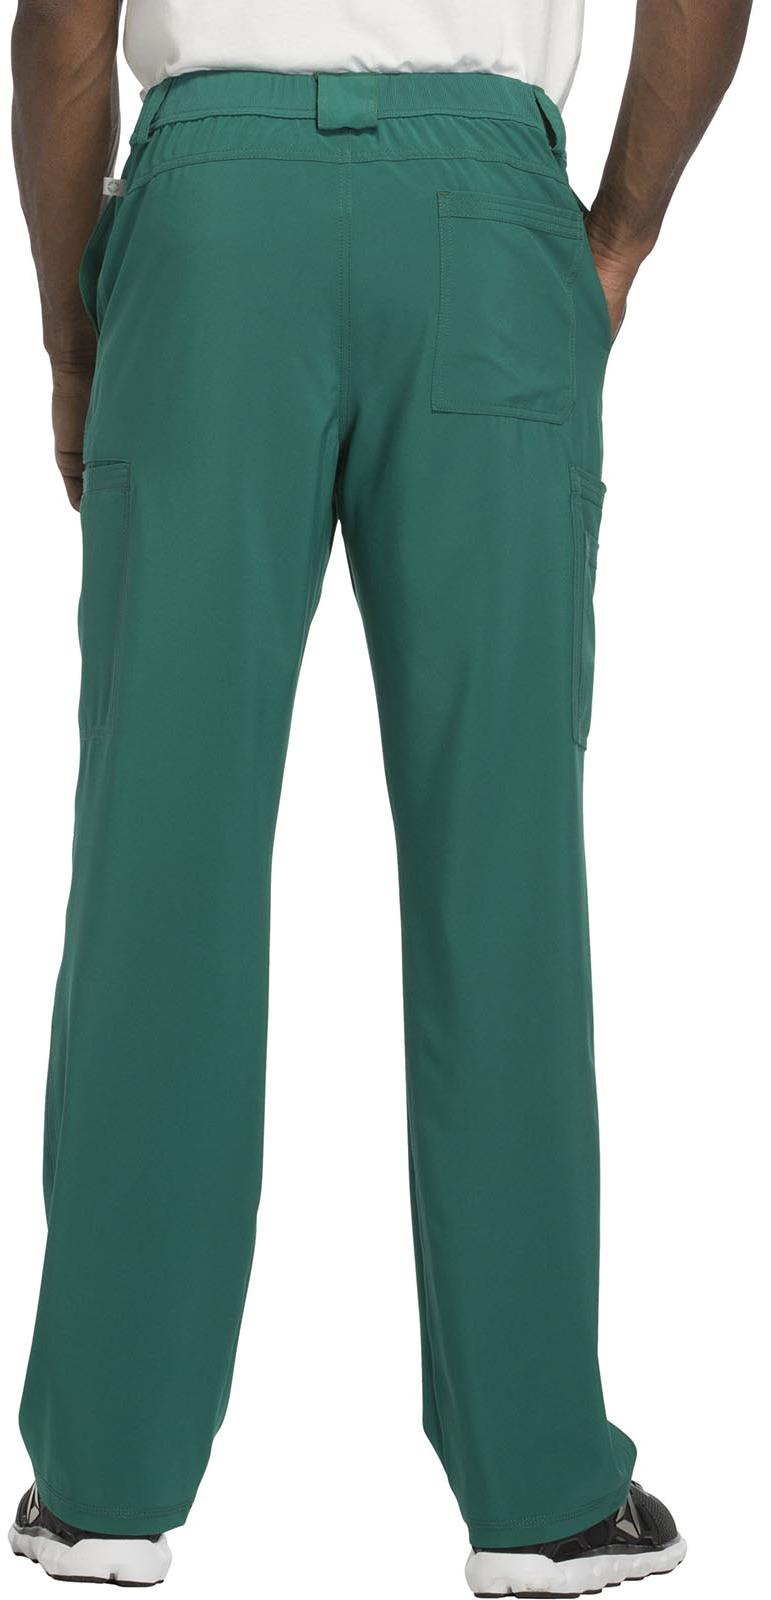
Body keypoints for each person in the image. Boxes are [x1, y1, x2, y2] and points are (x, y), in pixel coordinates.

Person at [8, 0, 751, 1592]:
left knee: (161, 859)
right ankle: (541, 1489)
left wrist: (76, 327)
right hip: (486, 223)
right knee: (505, 866)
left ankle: (105, 1478)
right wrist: (617, 234)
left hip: (211, 228)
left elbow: (63, 26)